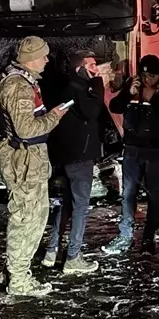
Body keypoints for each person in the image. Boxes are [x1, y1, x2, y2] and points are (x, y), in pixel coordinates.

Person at [0, 36, 68, 297]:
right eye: (44, 55)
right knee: (27, 219)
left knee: (32, 217)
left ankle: (13, 272)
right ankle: (19, 279)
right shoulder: (19, 86)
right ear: (31, 58)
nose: (47, 60)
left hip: (29, 159)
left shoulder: (23, 82)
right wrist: (54, 117)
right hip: (24, 160)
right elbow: (25, 129)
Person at [103, 55, 159, 256]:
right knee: (128, 194)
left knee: (154, 194)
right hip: (132, 149)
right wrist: (127, 94)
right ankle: (125, 235)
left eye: (152, 75)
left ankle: (149, 237)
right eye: (144, 74)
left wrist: (153, 98)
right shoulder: (134, 84)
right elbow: (115, 107)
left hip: (156, 150)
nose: (147, 79)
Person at [42, 50, 106, 275]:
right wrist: (98, 84)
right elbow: (93, 111)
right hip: (80, 155)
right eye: (92, 65)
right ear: (80, 68)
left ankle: (52, 251)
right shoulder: (79, 88)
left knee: (67, 203)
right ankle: (73, 257)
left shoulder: (67, 86)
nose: (96, 68)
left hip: (68, 155)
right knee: (80, 206)